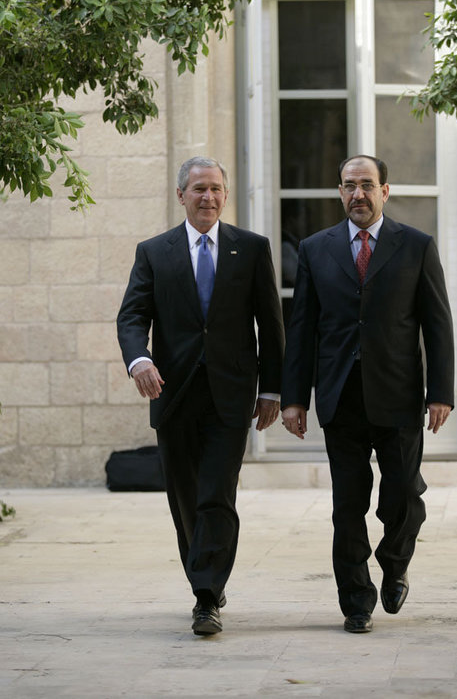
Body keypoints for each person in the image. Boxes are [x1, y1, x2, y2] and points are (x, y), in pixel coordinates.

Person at [281, 155, 454, 634]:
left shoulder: (416, 246)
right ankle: (356, 601)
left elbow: (437, 323)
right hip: (340, 397)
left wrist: (440, 392)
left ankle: (395, 562)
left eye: (367, 185)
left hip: (398, 396)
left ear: (385, 190)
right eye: (349, 185)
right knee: (347, 505)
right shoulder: (315, 249)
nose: (358, 194)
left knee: (402, 496)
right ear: (340, 192)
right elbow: (302, 329)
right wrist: (294, 398)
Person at [117, 156, 284, 636]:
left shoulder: (251, 249)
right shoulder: (154, 251)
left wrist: (272, 388)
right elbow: (132, 316)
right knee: (185, 497)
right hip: (172, 395)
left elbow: (270, 326)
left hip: (231, 395)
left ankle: (206, 595)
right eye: (198, 189)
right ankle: (206, 570)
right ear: (181, 196)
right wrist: (139, 360)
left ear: (225, 195)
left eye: (215, 189)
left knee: (217, 493)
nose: (207, 197)